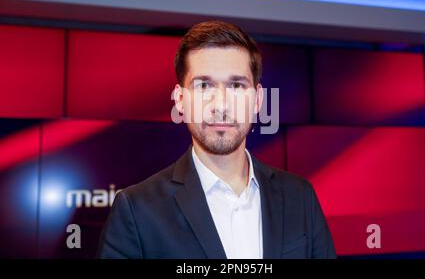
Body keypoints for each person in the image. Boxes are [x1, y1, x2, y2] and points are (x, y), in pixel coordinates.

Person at [97, 20, 336, 259]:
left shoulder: (300, 197)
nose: (221, 105)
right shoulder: (137, 210)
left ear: (257, 100)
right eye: (204, 85)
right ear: (180, 99)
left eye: (236, 85)